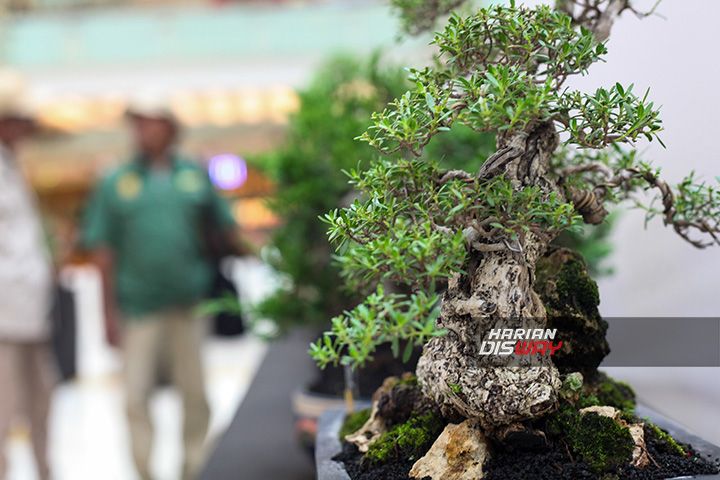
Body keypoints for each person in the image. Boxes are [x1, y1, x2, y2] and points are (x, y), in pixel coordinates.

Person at [81, 95, 238, 480]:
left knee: (195, 394)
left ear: (170, 127)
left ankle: (193, 466)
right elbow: (102, 252)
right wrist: (107, 316)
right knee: (135, 397)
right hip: (138, 309)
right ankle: (145, 471)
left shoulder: (194, 173)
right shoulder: (116, 181)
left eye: (151, 121)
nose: (143, 130)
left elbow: (225, 229)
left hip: (190, 305)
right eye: (138, 122)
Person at [0, 70, 55, 480]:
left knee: (41, 402)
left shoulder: (13, 165)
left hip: (29, 313)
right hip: (3, 319)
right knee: (4, 410)